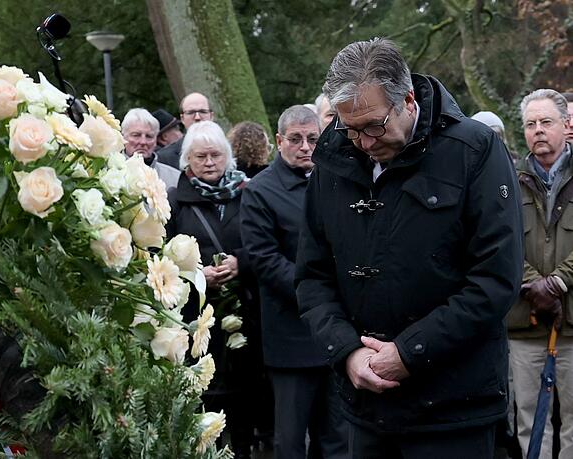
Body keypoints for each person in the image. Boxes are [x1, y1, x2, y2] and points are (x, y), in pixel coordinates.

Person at [295, 38, 522, 458]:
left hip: (453, 409)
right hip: (366, 407)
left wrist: (411, 351)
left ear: (408, 100)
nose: (362, 141)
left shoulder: (473, 150)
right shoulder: (332, 159)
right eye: (349, 128)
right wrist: (348, 351)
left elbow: (495, 278)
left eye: (374, 125)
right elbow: (312, 276)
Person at [240, 105, 348, 459]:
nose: (305, 147)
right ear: (278, 141)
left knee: (336, 438)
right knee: (290, 441)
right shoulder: (260, 191)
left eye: (313, 139)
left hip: (337, 333)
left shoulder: (336, 180)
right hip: (291, 334)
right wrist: (317, 293)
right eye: (296, 139)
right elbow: (264, 260)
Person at [165, 120, 259, 458]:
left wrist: (240, 263)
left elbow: (266, 245)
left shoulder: (249, 194)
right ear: (187, 159)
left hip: (247, 312)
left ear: (228, 157)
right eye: (200, 156)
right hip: (197, 317)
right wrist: (197, 273)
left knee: (247, 396)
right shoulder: (175, 201)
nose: (209, 163)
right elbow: (161, 258)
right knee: (207, 397)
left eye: (216, 155)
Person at [509, 88, 573, 459]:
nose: (538, 131)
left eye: (546, 122)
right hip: (525, 323)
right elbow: (498, 240)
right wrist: (534, 284)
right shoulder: (507, 182)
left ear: (565, 125)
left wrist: (559, 282)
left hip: (572, 323)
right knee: (530, 421)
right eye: (530, 124)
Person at [121, 108, 180, 190]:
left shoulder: (175, 178)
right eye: (136, 135)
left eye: (149, 136)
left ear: (155, 141)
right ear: (123, 137)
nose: (143, 142)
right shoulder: (107, 176)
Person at [157, 92, 214, 169]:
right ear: (182, 118)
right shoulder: (164, 158)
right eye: (191, 112)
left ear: (211, 116)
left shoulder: (229, 150)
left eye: (203, 112)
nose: (197, 117)